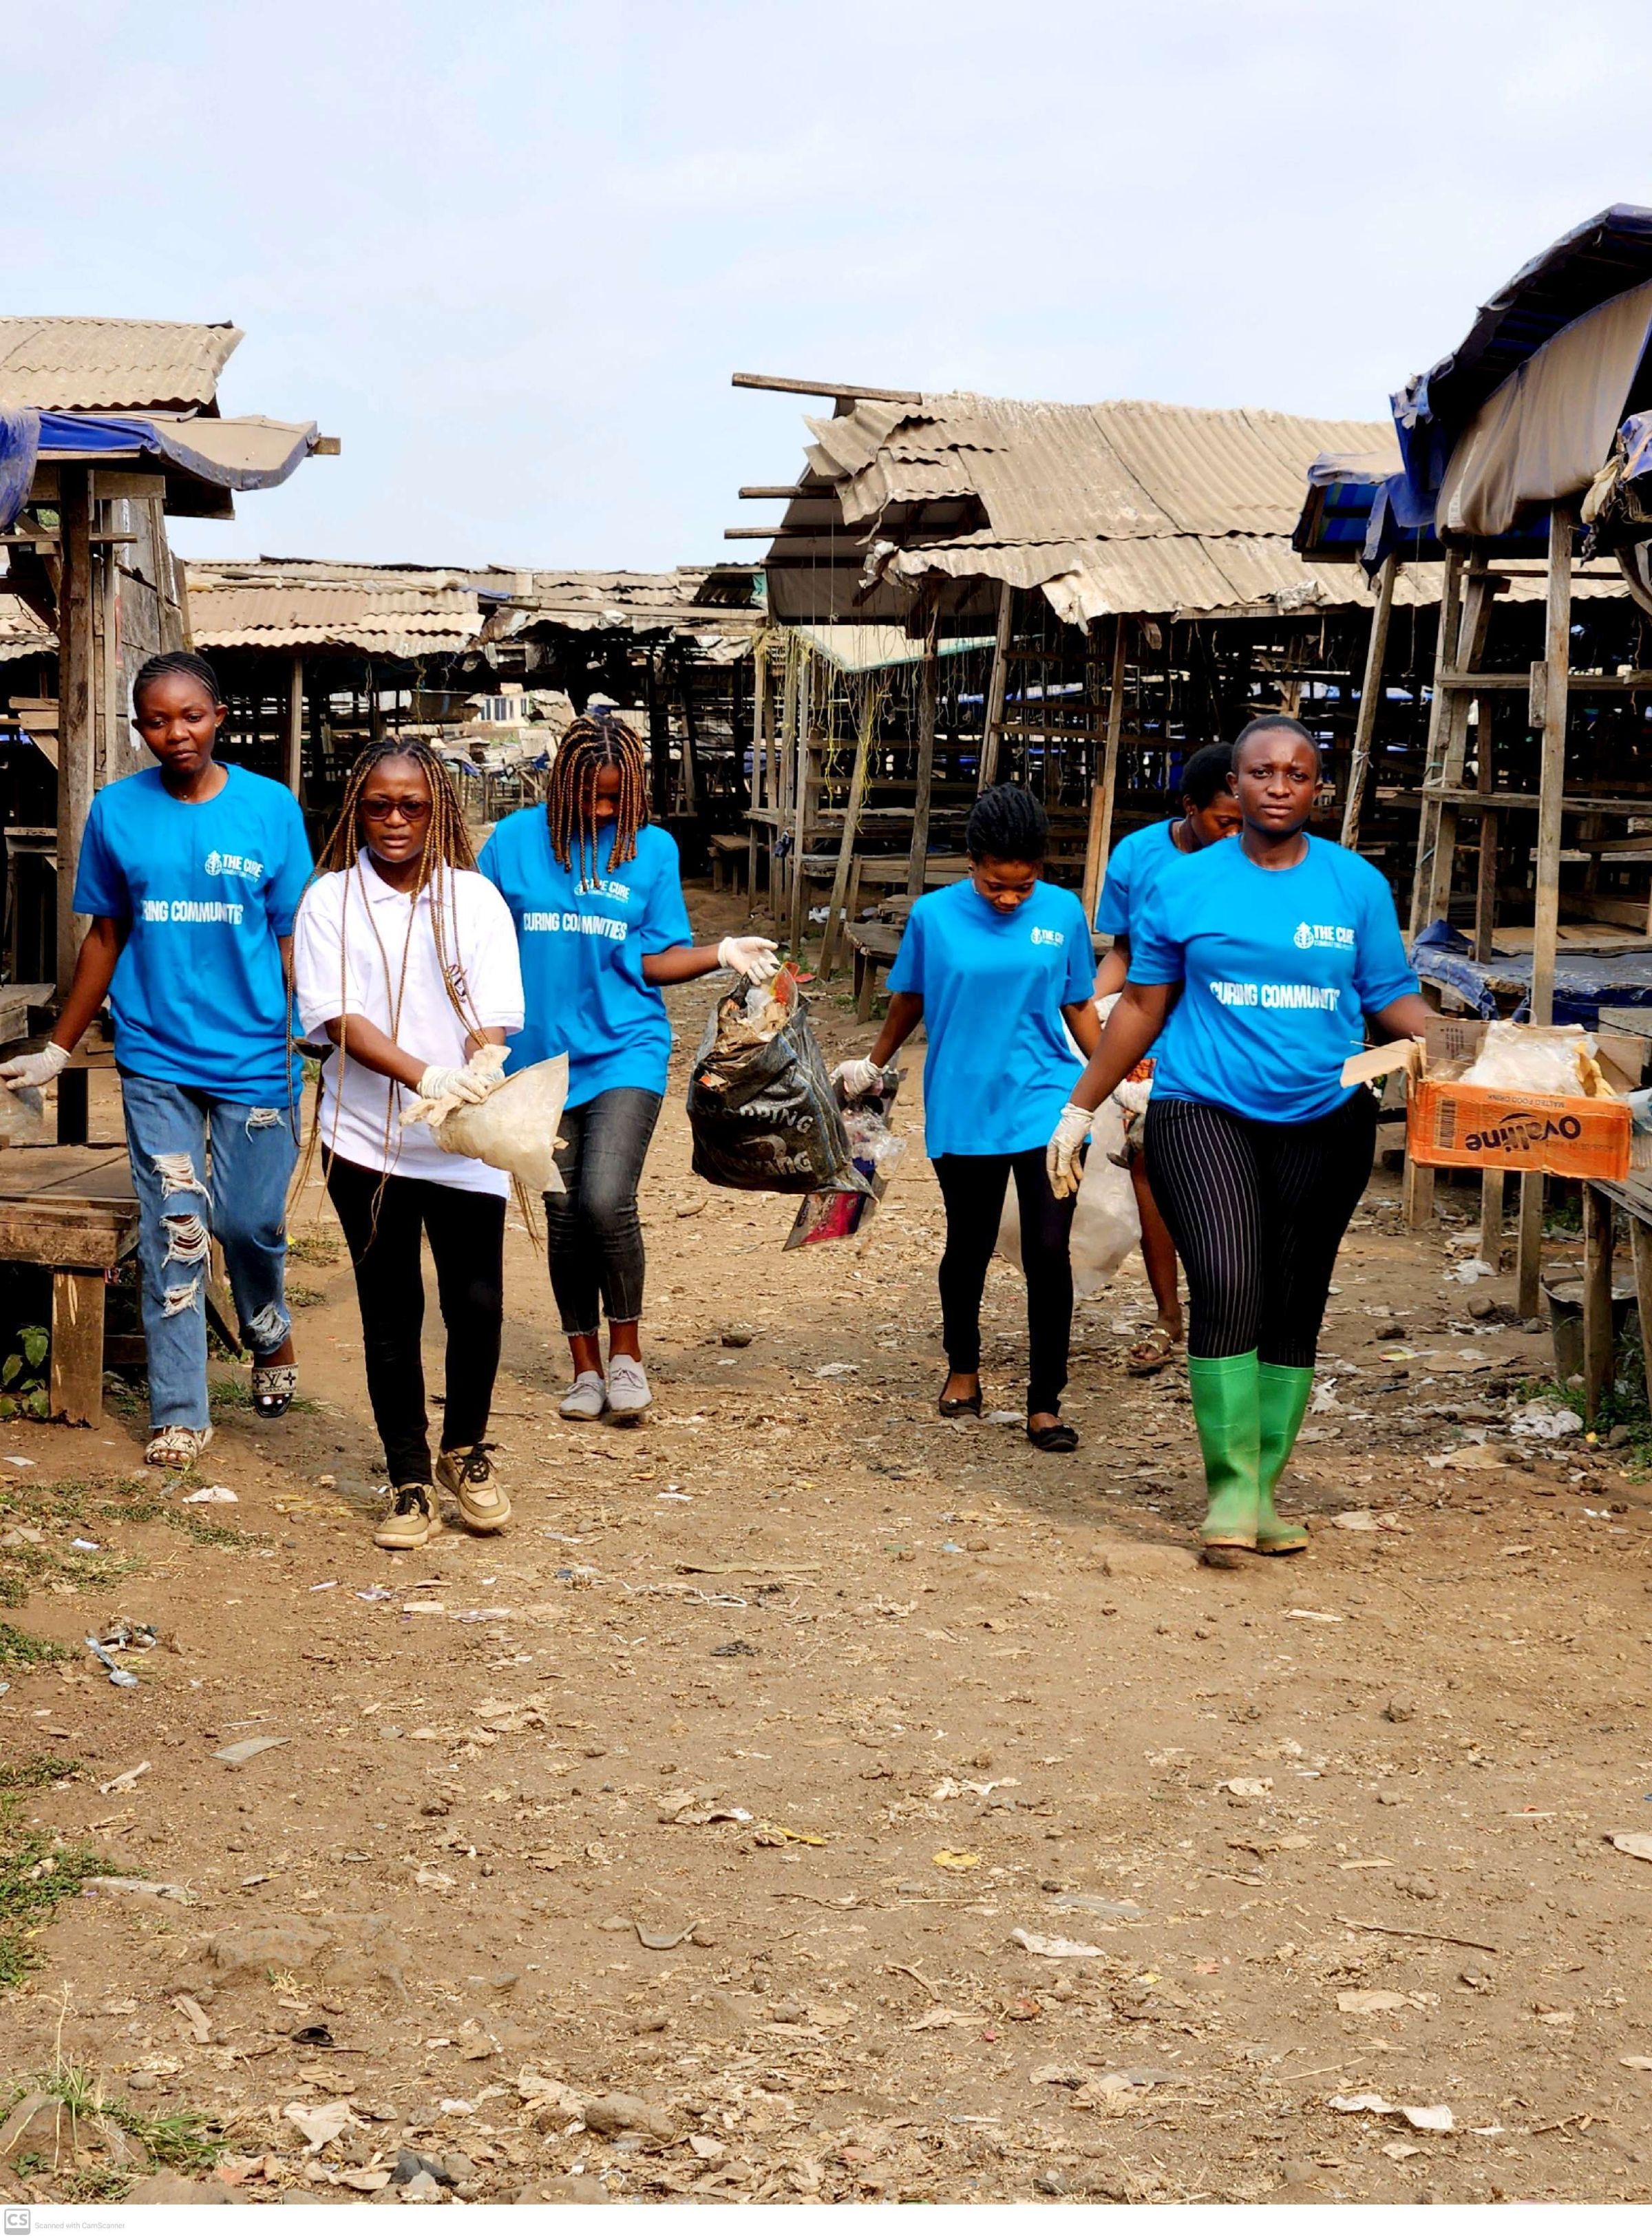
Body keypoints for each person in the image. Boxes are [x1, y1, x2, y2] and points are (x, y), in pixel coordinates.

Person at [1048, 714, 1432, 1557]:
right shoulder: (1181, 886)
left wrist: (1449, 1037)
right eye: (1264, 772)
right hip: (1203, 1109)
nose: (1280, 785)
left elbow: (1387, 991)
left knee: (1295, 1301)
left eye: (1299, 773)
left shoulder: (1356, 885)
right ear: (1238, 784)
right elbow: (1144, 1006)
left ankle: (1263, 1493)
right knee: (1228, 1281)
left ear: (1318, 788)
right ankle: (1227, 1494)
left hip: (1327, 1118)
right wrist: (1082, 1106)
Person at [0, 651, 310, 1471]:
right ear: (140, 726)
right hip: (157, 1056)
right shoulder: (116, 812)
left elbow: (291, 938)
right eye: (158, 720)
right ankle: (180, 1409)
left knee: (249, 1222)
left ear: (220, 717)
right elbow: (106, 935)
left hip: (257, 1055)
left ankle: (269, 1332)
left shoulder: (271, 809)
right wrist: (58, 1047)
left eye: (192, 716)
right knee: (178, 1226)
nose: (176, 733)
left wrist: (317, 1027)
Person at [478, 710, 775, 1424]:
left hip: (624, 1049)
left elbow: (651, 956)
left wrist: (718, 952)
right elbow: (476, 943)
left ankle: (627, 1356)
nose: (605, 811)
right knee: (562, 1209)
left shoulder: (652, 849)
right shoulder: (512, 844)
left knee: (605, 1199)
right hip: (535, 1060)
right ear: (564, 781)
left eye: (618, 797)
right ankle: (583, 1368)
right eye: (592, 795)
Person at [292, 739, 525, 1551]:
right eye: (380, 805)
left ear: (440, 811)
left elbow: (493, 1013)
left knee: (477, 1304)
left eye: (413, 806)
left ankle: (465, 1449)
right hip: (368, 1143)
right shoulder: (330, 901)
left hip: (464, 1139)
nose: (396, 820)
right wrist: (425, 1076)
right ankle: (408, 1479)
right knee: (390, 1313)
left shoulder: (476, 899)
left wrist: (481, 1068)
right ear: (357, 808)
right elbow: (339, 1019)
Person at [835, 783, 1102, 1452]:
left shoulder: (1065, 913)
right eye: (995, 885)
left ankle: (1045, 1403)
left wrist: (1117, 1077)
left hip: (1049, 1099)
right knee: (970, 1244)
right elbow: (909, 999)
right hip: (963, 1099)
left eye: (1024, 884)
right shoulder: (933, 916)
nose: (1010, 897)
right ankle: (964, 1366)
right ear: (971, 861)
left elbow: (1077, 1007)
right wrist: (872, 1064)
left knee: (1047, 1250)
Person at [1093, 741, 1243, 1377]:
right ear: (1190, 808)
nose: (1235, 834)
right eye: (1224, 821)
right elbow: (1126, 954)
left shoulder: (1257, 865)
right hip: (1153, 1037)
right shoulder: (1138, 857)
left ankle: (1229, 1315)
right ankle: (1168, 1315)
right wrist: (1091, 1014)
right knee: (1149, 1168)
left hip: (1227, 1034)